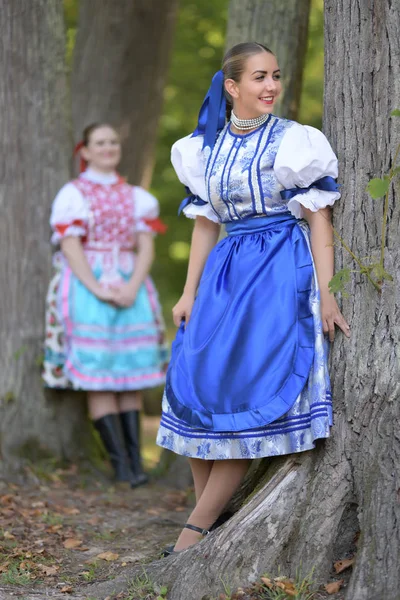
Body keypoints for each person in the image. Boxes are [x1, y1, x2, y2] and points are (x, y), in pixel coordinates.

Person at [156, 42, 350, 554]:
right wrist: (188, 292)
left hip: (279, 270)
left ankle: (190, 537)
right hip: (225, 274)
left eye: (276, 76)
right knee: (200, 386)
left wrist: (327, 293)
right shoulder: (202, 148)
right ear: (232, 86)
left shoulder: (295, 142)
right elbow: (204, 226)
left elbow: (318, 217)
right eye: (259, 77)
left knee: (247, 388)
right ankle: (207, 525)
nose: (271, 87)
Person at [43, 123, 168, 488]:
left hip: (130, 282)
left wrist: (131, 286)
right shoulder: (73, 193)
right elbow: (70, 246)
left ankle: (137, 466)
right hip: (87, 284)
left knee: (130, 375)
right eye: (100, 142)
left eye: (113, 141)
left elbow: (145, 245)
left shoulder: (136, 196)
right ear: (85, 150)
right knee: (99, 375)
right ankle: (121, 467)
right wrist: (98, 288)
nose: (108, 147)